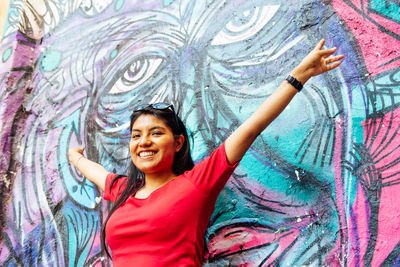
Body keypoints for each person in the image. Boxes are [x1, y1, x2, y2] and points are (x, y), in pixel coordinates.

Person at [68, 39, 343, 266]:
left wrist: (298, 78)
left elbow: (250, 128)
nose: (143, 142)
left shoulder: (197, 183)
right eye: (136, 136)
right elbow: (95, 171)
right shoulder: (123, 191)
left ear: (178, 143)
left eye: (156, 133)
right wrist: (75, 157)